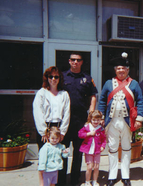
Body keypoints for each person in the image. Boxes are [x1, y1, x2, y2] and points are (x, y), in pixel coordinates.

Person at [98, 52, 143, 186]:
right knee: (112, 148)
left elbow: (140, 101)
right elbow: (102, 100)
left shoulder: (134, 84)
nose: (121, 71)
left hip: (127, 121)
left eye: (123, 68)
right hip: (112, 121)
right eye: (118, 68)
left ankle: (125, 175)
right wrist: (101, 116)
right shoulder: (108, 83)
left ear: (128, 70)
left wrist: (139, 119)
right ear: (115, 70)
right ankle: (112, 175)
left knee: (126, 147)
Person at [59, 52, 98, 185]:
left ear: (82, 62)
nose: (75, 62)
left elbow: (93, 95)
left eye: (78, 60)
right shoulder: (62, 77)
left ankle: (75, 179)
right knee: (63, 149)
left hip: (80, 119)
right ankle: (61, 179)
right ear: (69, 61)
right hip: (65, 120)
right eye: (73, 60)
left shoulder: (87, 78)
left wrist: (91, 112)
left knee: (78, 151)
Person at [33, 66, 70, 186]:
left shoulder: (64, 94)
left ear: (60, 78)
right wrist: (43, 131)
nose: (53, 79)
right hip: (46, 128)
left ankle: (60, 183)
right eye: (51, 76)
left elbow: (67, 113)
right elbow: (37, 112)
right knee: (46, 158)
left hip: (59, 128)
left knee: (61, 156)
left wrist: (63, 131)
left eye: (56, 77)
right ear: (47, 78)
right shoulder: (42, 93)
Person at [78, 110, 106, 186]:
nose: (96, 122)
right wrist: (88, 134)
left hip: (97, 150)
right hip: (89, 150)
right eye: (94, 120)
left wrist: (103, 146)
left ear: (100, 120)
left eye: (98, 120)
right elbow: (80, 134)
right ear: (91, 119)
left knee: (96, 167)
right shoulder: (87, 127)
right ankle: (87, 181)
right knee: (89, 167)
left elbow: (104, 139)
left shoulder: (101, 129)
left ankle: (95, 181)